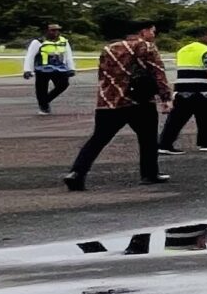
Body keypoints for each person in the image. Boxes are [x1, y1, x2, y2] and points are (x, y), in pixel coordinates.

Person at [62, 21, 174, 190]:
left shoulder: (109, 48)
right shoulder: (146, 47)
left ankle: (77, 172)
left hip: (109, 101)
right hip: (139, 101)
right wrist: (166, 97)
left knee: (98, 139)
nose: (154, 34)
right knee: (148, 139)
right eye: (152, 31)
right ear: (143, 31)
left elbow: (103, 74)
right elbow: (158, 72)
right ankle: (149, 174)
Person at [157, 27, 207, 155]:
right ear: (203, 36)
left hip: (182, 89)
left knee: (176, 119)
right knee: (206, 118)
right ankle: (206, 142)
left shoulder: (183, 50)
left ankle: (164, 144)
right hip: (204, 90)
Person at [23, 23, 76, 114]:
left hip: (59, 68)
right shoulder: (38, 42)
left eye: (57, 30)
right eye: (53, 30)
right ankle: (44, 106)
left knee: (63, 84)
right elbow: (30, 56)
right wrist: (27, 70)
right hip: (42, 69)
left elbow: (68, 55)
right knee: (41, 89)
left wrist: (71, 68)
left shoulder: (64, 41)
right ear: (46, 31)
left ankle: (45, 101)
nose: (56, 32)